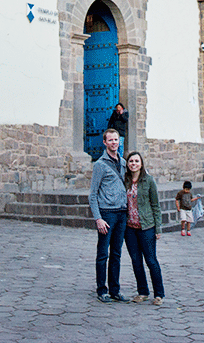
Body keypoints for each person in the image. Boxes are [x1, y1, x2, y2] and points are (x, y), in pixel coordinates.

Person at [88, 128, 128, 303]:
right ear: (104, 142)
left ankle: (115, 289)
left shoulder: (124, 162)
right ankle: (101, 290)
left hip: (121, 214)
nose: (114, 143)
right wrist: (98, 218)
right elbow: (92, 194)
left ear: (119, 141)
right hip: (107, 214)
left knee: (117, 253)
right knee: (103, 253)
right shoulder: (100, 165)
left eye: (116, 140)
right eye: (110, 140)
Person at [123, 152, 164, 305]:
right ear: (127, 164)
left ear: (141, 163)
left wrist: (158, 229)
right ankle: (143, 292)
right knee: (136, 261)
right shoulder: (125, 180)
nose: (133, 163)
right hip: (130, 228)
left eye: (136, 161)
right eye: (131, 161)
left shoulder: (149, 181)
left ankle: (159, 294)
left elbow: (156, 206)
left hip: (147, 227)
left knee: (151, 260)